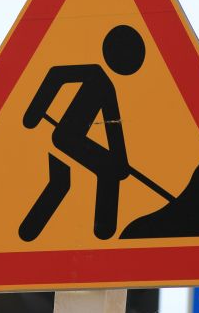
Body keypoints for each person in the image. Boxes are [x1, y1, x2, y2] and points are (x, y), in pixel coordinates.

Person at [19, 25, 145, 241]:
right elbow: (55, 75)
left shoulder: (106, 84)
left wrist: (121, 160)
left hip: (72, 139)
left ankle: (102, 230)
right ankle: (103, 230)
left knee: (99, 173)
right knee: (71, 181)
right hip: (66, 136)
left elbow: (112, 123)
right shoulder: (97, 75)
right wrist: (34, 113)